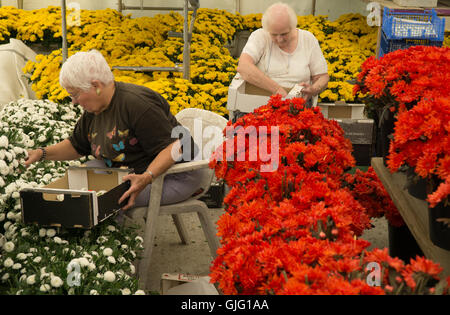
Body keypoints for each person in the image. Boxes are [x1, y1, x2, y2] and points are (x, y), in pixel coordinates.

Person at [24, 49, 204, 212]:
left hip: (175, 175)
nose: (74, 102)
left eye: (75, 94)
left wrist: (147, 177)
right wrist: (40, 153)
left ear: (96, 86)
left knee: (103, 202)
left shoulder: (137, 105)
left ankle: (108, 246)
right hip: (129, 171)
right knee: (78, 186)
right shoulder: (95, 109)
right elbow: (77, 145)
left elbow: (176, 147)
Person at [236, 2, 329, 105]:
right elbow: (243, 66)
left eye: (284, 34)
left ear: (293, 27)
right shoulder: (260, 36)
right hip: (260, 103)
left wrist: (314, 89)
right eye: (274, 34)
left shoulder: (307, 39)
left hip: (297, 105)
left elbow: (322, 77)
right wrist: (276, 90)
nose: (279, 39)